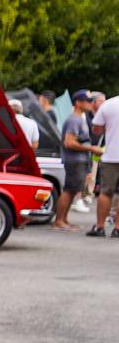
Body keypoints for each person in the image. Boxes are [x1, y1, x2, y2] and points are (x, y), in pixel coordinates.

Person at [60, 90, 101, 231]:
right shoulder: (74, 120)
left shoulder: (79, 118)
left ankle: (64, 220)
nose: (91, 104)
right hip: (74, 160)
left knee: (72, 191)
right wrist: (92, 148)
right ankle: (59, 221)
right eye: (88, 101)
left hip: (78, 160)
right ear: (78, 102)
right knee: (69, 190)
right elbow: (69, 142)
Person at [90, 90, 119, 237]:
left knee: (106, 192)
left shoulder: (109, 104)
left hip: (111, 156)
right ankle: (118, 228)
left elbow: (96, 129)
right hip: (110, 156)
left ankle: (100, 227)